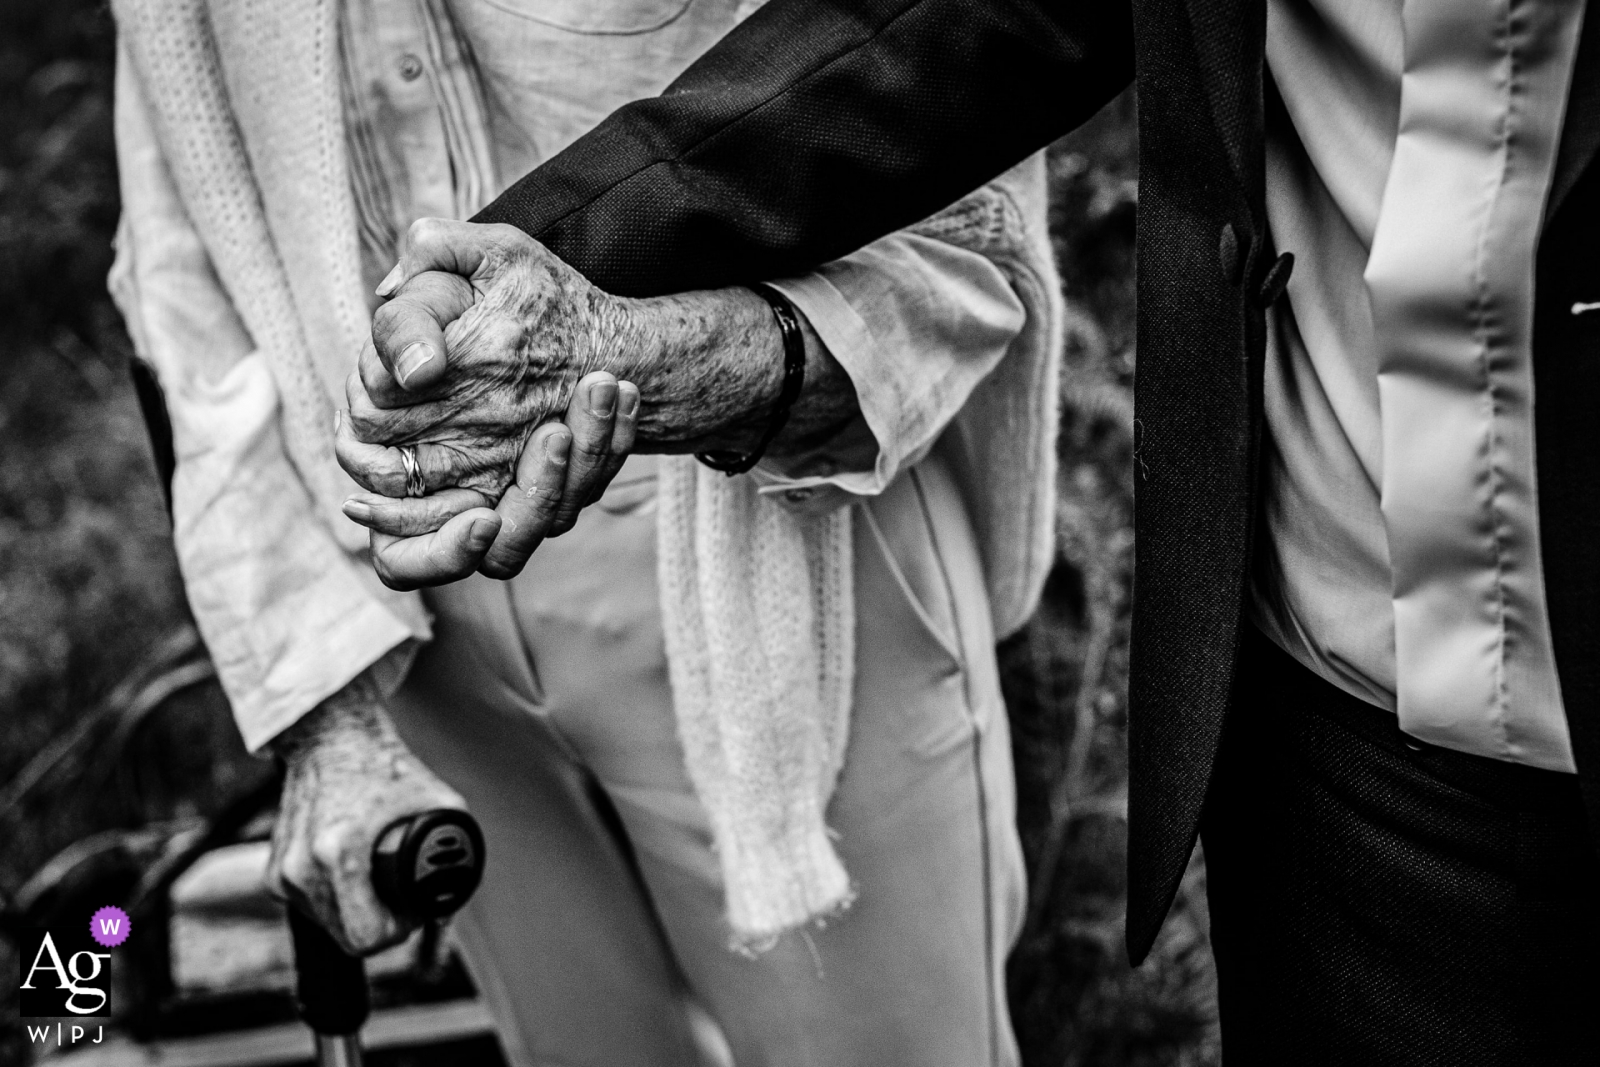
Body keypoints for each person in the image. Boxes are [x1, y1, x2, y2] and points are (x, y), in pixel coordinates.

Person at [338, 0, 1600, 1063]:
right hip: (1337, 730)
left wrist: (662, 348)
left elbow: (970, 254)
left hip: (821, 551)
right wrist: (552, 257)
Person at [108, 1, 1063, 1063]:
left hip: (781, 522)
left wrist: (669, 362)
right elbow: (180, 275)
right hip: (414, 613)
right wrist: (327, 708)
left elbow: (956, 159)